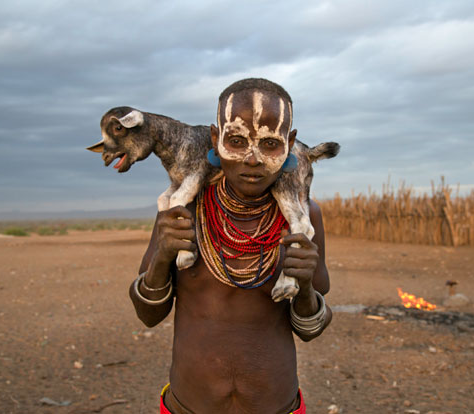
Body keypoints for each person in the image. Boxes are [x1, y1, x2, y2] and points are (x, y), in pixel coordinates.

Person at [129, 78, 332, 414]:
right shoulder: (183, 209)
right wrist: (162, 256)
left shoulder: (304, 218)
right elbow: (148, 314)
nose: (252, 160)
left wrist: (306, 284)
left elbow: (311, 329)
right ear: (215, 138)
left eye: (269, 144)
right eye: (236, 141)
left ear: (290, 143)